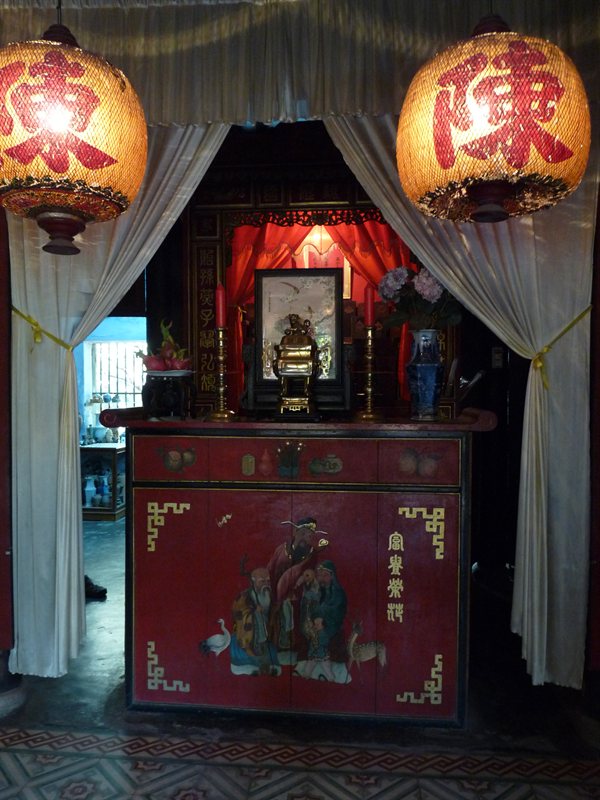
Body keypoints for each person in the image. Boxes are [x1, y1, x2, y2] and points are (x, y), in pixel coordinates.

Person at [267, 517, 328, 654]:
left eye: (310, 536)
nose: (306, 538)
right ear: (295, 531)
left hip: (298, 600)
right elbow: (270, 570)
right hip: (276, 597)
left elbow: (311, 576)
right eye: (303, 533)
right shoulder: (281, 550)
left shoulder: (311, 554)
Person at [297, 560, 348, 682]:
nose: (322, 578)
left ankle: (323, 675)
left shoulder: (338, 593)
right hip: (317, 624)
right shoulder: (320, 591)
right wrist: (315, 619)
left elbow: (335, 612)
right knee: (315, 640)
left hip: (331, 625)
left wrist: (323, 622)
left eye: (325, 575)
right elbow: (314, 607)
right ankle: (311, 674)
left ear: (332, 576)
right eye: (320, 575)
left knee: (318, 640)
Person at [230, 566, 280, 676]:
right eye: (262, 581)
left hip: (267, 634)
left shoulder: (270, 595)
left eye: (268, 580)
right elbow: (237, 611)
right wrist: (253, 611)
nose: (266, 584)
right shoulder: (245, 596)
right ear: (253, 581)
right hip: (248, 634)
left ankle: (267, 667)